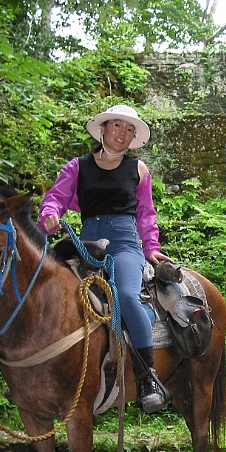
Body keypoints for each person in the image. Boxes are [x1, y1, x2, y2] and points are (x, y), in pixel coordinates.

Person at [39, 104, 172, 414]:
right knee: (49, 293)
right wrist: (49, 214)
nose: (122, 134)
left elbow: (145, 214)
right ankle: (34, 367)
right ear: (102, 129)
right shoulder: (77, 166)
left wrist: (151, 246)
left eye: (129, 130)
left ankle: (147, 377)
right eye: (116, 126)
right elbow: (55, 198)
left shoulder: (138, 170)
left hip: (125, 243)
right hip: (86, 242)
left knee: (126, 295)